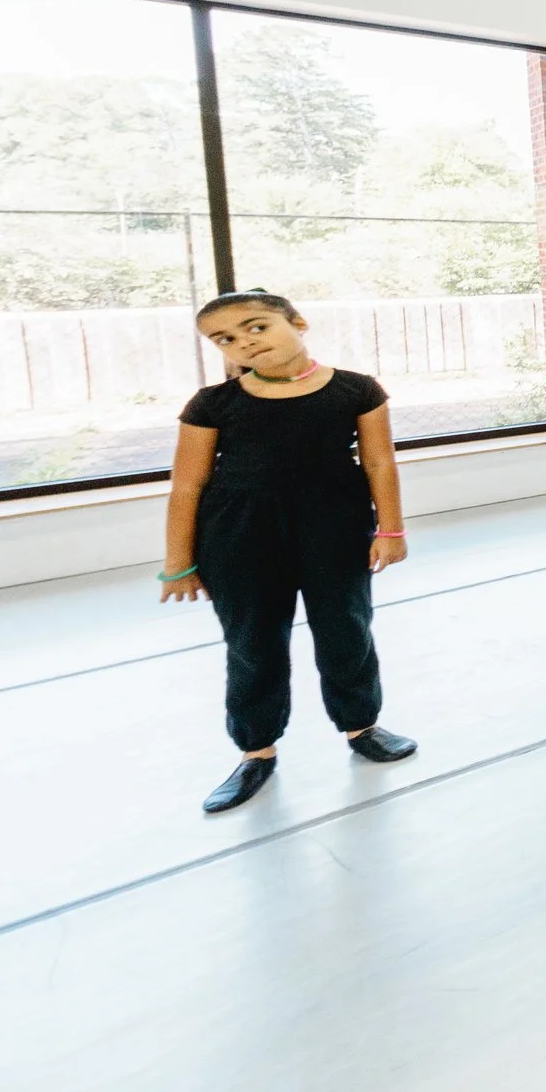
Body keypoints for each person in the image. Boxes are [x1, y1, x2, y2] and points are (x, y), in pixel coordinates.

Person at [161, 291, 419, 814]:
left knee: (346, 628)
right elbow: (187, 485)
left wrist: (390, 530)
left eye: (256, 327)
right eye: (225, 339)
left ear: (297, 322)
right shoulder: (212, 404)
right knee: (252, 642)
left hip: (335, 528)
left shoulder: (357, 390)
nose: (244, 343)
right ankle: (255, 750)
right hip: (240, 535)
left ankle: (361, 726)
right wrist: (177, 563)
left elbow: (379, 463)